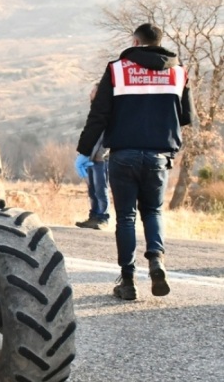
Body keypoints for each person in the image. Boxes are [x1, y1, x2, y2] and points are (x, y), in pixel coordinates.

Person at [75, 23, 193, 301]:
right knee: (153, 212)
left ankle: (127, 281)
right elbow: (186, 116)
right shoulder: (178, 72)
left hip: (124, 154)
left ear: (136, 42)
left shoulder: (117, 69)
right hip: (159, 155)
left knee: (126, 216)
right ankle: (156, 261)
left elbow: (99, 114)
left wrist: (83, 150)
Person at [75, 84, 110, 230]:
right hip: (90, 158)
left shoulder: (107, 112)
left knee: (101, 189)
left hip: (101, 159)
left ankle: (103, 218)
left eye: (93, 91)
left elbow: (107, 137)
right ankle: (93, 216)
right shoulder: (94, 112)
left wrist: (101, 154)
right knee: (92, 189)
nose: (91, 93)